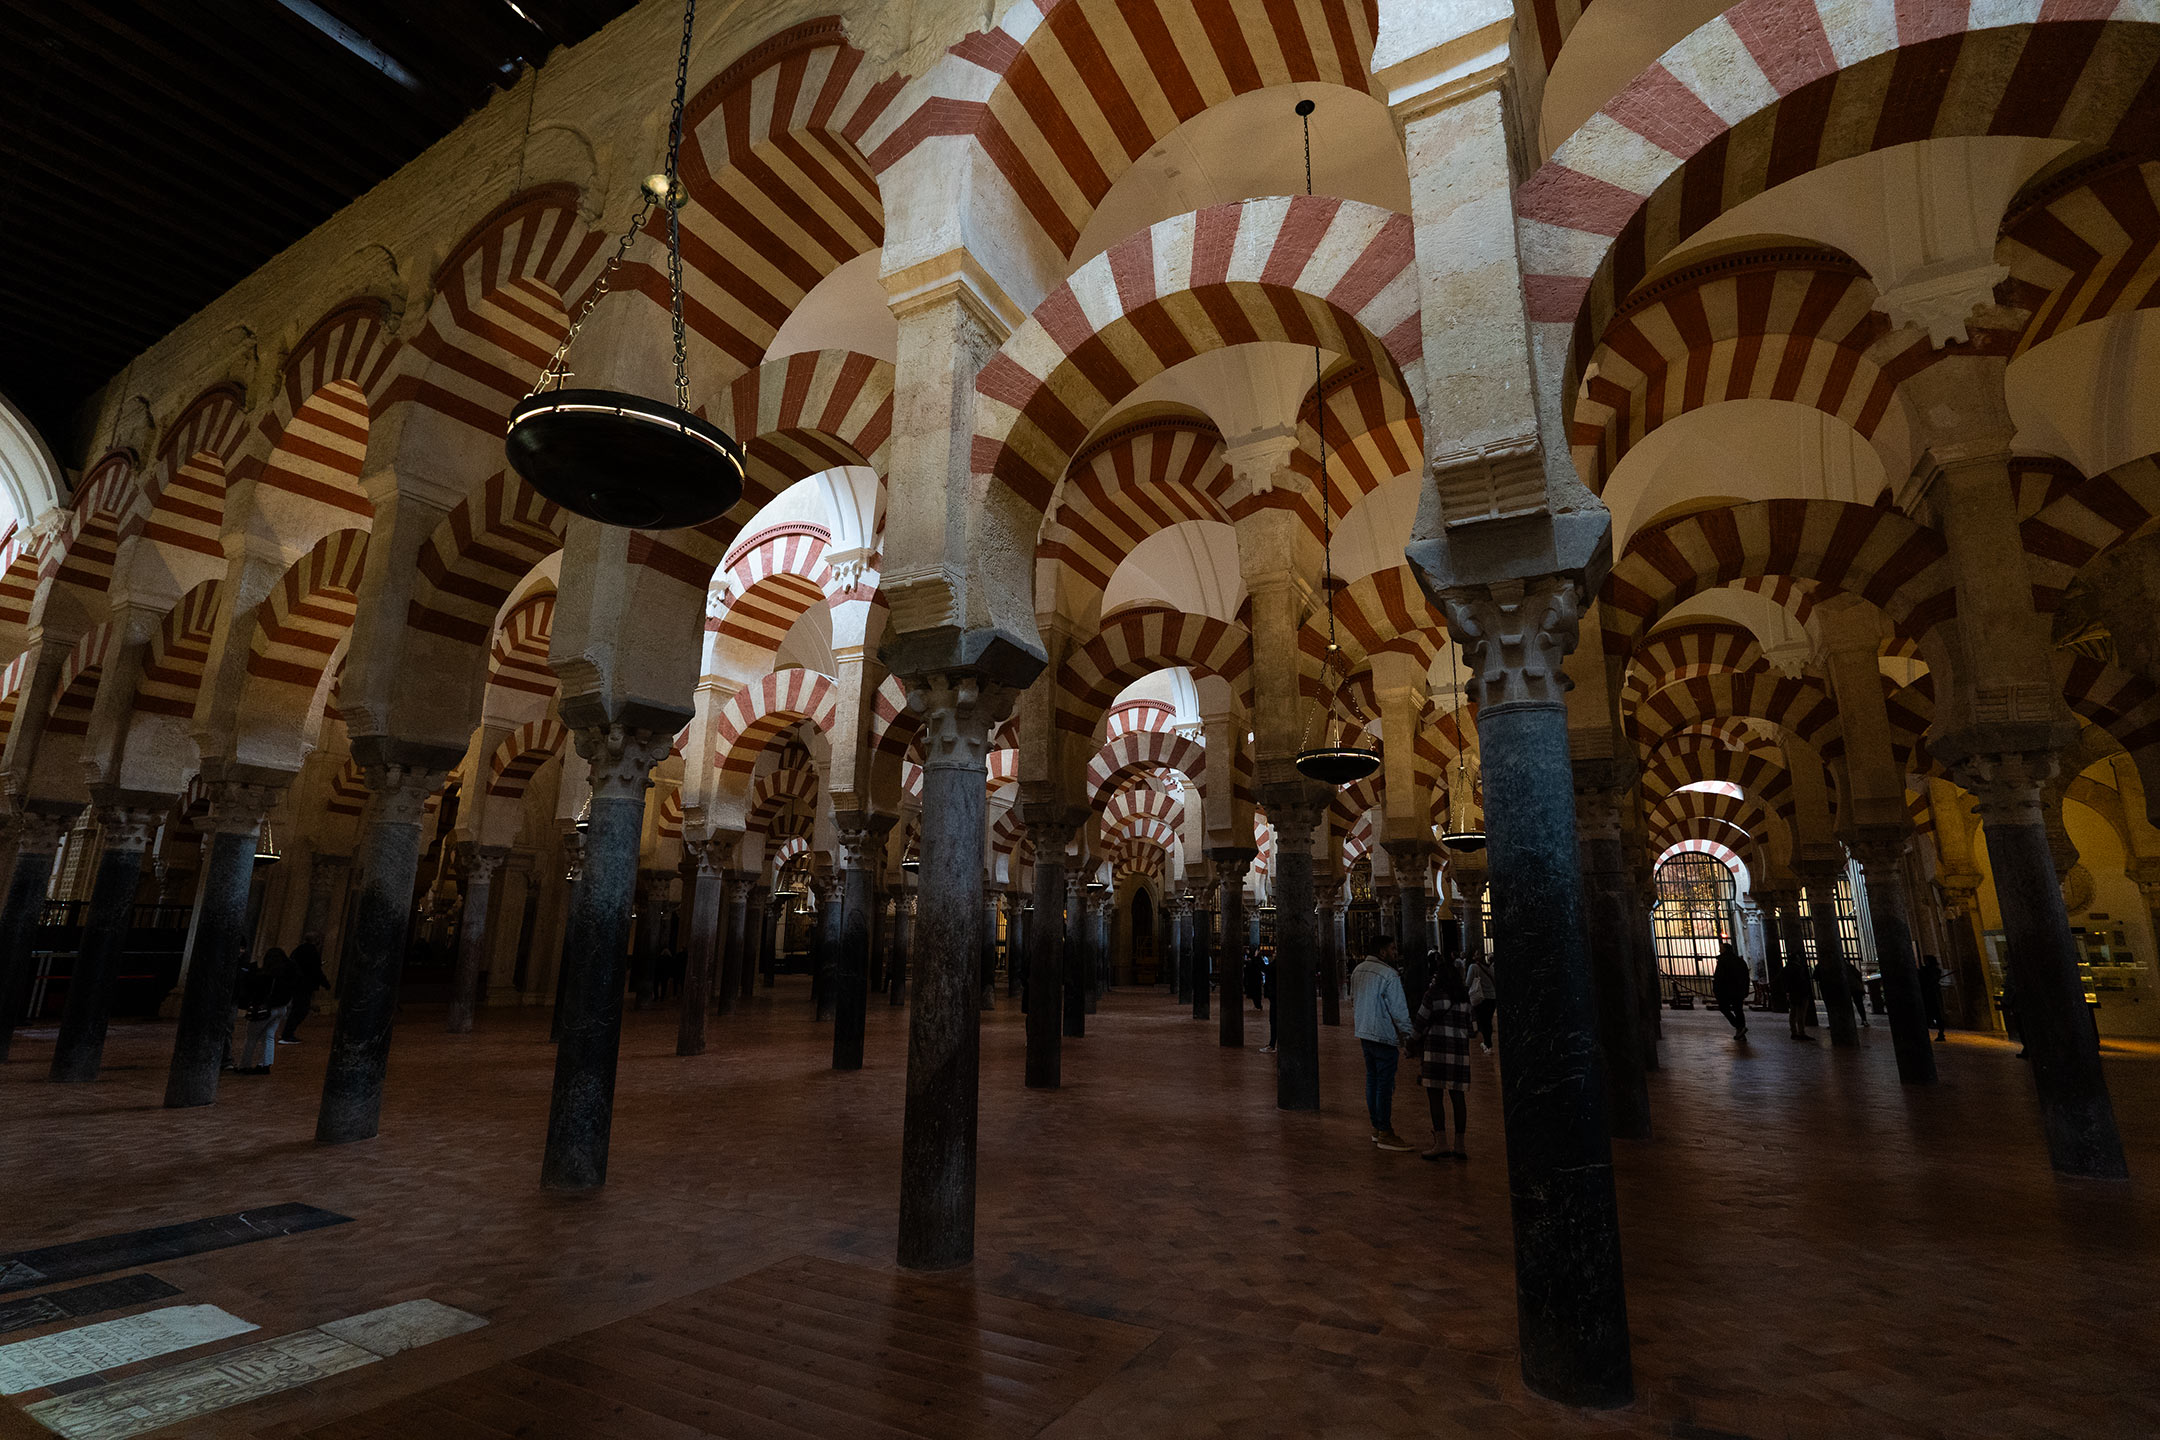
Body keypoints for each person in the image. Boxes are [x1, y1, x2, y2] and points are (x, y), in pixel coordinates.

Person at [1350, 939, 1417, 1151]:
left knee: (1372, 1080)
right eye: (1392, 948)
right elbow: (1399, 1010)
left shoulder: (1358, 970)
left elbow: (1354, 1000)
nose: (1396, 952)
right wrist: (1408, 1036)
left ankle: (1377, 1127)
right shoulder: (1389, 975)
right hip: (1384, 1034)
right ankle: (1385, 1131)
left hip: (1364, 1032)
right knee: (1385, 1085)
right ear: (1382, 951)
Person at [1410, 960, 1474, 1160]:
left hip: (1435, 1052)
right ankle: (1460, 1145)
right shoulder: (1464, 998)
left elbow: (1420, 1023)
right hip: (1459, 1054)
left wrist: (1410, 1044)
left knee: (1435, 1098)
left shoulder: (1432, 995)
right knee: (1458, 1098)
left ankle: (1441, 1142)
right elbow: (1473, 1030)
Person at [237, 949, 292, 1074]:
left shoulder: (263, 974)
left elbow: (251, 989)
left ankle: (244, 1065)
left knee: (251, 1037)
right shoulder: (287, 974)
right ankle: (265, 1064)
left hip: (265, 1009)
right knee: (269, 1036)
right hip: (281, 1009)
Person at [280, 940, 326, 1043]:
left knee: (297, 1009)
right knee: (300, 1010)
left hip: (297, 984)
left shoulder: (297, 950)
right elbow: (316, 970)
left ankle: (287, 1033)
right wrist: (325, 983)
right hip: (305, 985)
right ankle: (287, 1035)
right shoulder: (312, 952)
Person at [1711, 942, 1750, 1040]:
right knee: (1738, 1010)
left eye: (1721, 948)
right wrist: (1745, 989)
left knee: (1724, 1008)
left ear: (1724, 950)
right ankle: (1741, 1033)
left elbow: (1719, 977)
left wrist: (1716, 989)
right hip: (1739, 990)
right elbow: (1746, 976)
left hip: (1726, 990)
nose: (1719, 950)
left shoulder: (1722, 961)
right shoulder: (1740, 961)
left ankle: (1738, 1027)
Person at [1465, 953, 1496, 1052]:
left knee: (1482, 1021)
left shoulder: (1473, 967)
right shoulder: (1490, 967)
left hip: (1481, 998)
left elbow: (1468, 983)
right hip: (1492, 997)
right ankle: (1488, 1043)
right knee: (1488, 1021)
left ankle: (1487, 1044)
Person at [1786, 948, 1815, 1041]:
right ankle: (1801, 1032)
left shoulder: (1786, 969)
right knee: (1800, 1014)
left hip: (1792, 993)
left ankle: (1794, 1032)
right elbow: (1801, 981)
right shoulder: (1798, 968)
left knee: (1793, 1013)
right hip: (1800, 993)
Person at [1917, 954, 1948, 1041]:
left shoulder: (1928, 971)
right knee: (1936, 1014)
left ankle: (1939, 1032)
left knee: (1933, 1013)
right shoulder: (1934, 971)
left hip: (1930, 994)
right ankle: (1940, 1031)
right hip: (1932, 994)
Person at [1846, 958, 1869, 1028]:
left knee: (1847, 1005)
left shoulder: (1839, 968)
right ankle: (1864, 1019)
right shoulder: (1850, 966)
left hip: (1849, 987)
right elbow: (1858, 975)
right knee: (1859, 1004)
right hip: (1856, 988)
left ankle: (1848, 1021)